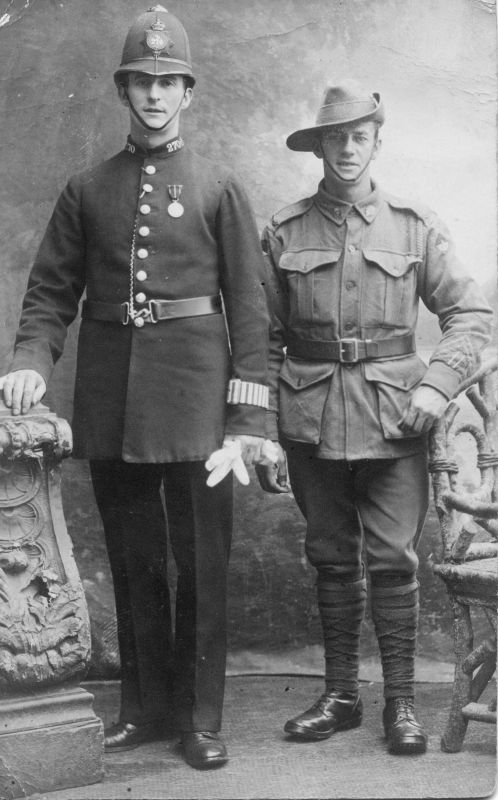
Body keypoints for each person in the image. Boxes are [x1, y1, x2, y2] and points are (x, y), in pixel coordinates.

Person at [0, 5, 270, 770]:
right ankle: (146, 710)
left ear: (188, 91)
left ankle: (201, 717)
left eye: (168, 81)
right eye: (141, 82)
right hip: (113, 401)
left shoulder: (219, 187)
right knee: (135, 558)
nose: (154, 94)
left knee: (200, 562)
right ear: (123, 90)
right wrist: (29, 360)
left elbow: (250, 313)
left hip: (196, 403)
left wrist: (247, 423)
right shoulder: (88, 189)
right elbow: (50, 294)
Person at [257, 80, 493, 755]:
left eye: (361, 136)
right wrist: (267, 431)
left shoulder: (415, 226)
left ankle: (401, 705)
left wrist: (438, 385)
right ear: (321, 146)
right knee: (330, 557)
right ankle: (339, 696)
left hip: (396, 421)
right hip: (310, 418)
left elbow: (469, 315)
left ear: (377, 142)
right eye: (337, 137)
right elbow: (258, 339)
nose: (349, 147)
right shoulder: (283, 229)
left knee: (393, 561)